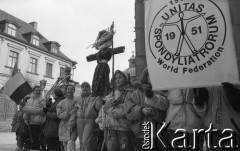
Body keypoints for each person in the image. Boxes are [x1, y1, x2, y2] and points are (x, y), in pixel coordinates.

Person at [145, 86, 207, 150]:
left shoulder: (200, 84)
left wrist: (200, 106)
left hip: (193, 130)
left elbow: (205, 112)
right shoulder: (173, 82)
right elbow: (165, 104)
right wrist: (152, 98)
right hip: (173, 129)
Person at [125, 68, 167, 151]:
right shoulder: (136, 93)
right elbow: (129, 112)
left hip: (159, 133)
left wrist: (156, 113)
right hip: (142, 133)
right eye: (150, 74)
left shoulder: (162, 92)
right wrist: (141, 110)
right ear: (145, 76)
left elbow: (166, 111)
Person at [95, 70, 135, 151]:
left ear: (126, 79)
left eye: (120, 77)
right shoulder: (113, 94)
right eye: (116, 78)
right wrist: (100, 120)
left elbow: (123, 111)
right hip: (111, 129)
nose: (117, 80)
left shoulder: (131, 93)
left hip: (124, 129)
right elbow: (103, 109)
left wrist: (109, 108)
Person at [194, 83, 240, 151]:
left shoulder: (235, 75)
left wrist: (233, 93)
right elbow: (202, 113)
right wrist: (200, 105)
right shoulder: (204, 78)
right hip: (211, 132)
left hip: (232, 131)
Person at [75, 82, 103, 151]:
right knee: (81, 141)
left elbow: (99, 108)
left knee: (85, 141)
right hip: (79, 120)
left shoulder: (94, 97)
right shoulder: (78, 97)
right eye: (83, 87)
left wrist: (99, 99)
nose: (84, 88)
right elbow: (76, 109)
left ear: (89, 88)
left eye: (86, 86)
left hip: (89, 120)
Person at [22, 85, 46, 151]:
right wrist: (25, 116)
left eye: (39, 90)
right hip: (28, 122)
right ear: (33, 91)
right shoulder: (29, 100)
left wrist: (29, 110)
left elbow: (42, 111)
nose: (38, 92)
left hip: (37, 123)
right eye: (36, 90)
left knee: (36, 141)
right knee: (29, 141)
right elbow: (25, 110)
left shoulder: (42, 99)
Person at [56, 84, 78, 151]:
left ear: (74, 90)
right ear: (66, 91)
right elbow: (59, 114)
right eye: (68, 89)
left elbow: (79, 112)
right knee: (65, 144)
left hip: (74, 125)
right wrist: (67, 113)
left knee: (71, 142)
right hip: (64, 126)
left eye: (71, 89)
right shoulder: (62, 102)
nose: (70, 91)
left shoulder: (77, 101)